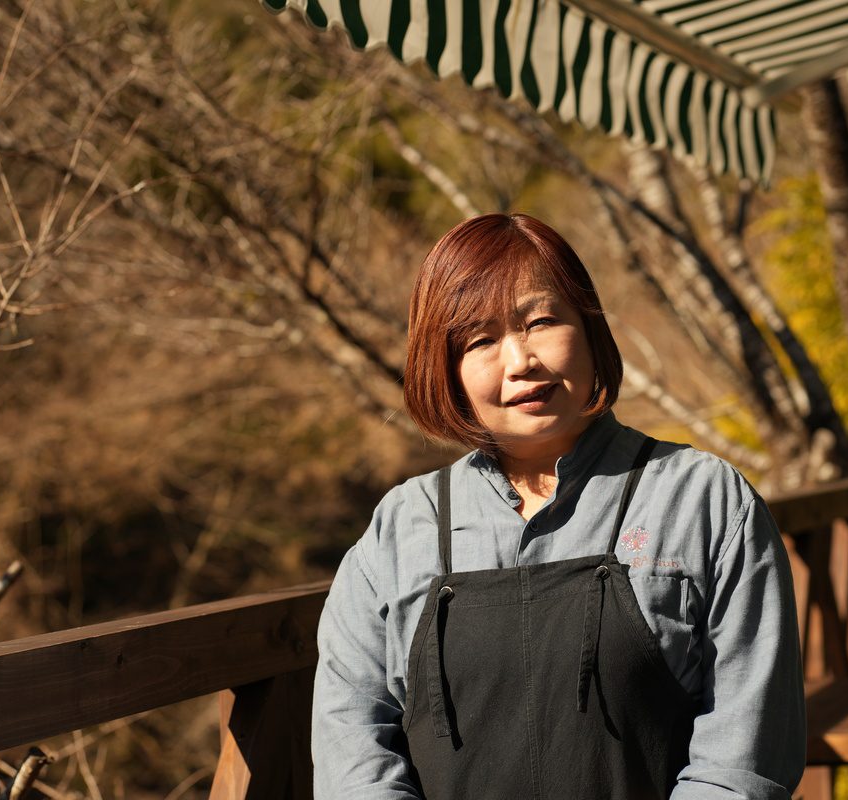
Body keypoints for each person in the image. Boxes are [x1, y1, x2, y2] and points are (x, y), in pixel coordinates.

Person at [312, 213, 805, 799]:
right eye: (480, 340)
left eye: (540, 321)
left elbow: (742, 758)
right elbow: (355, 756)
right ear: (446, 369)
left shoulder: (703, 499)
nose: (520, 361)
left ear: (590, 328)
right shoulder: (398, 530)